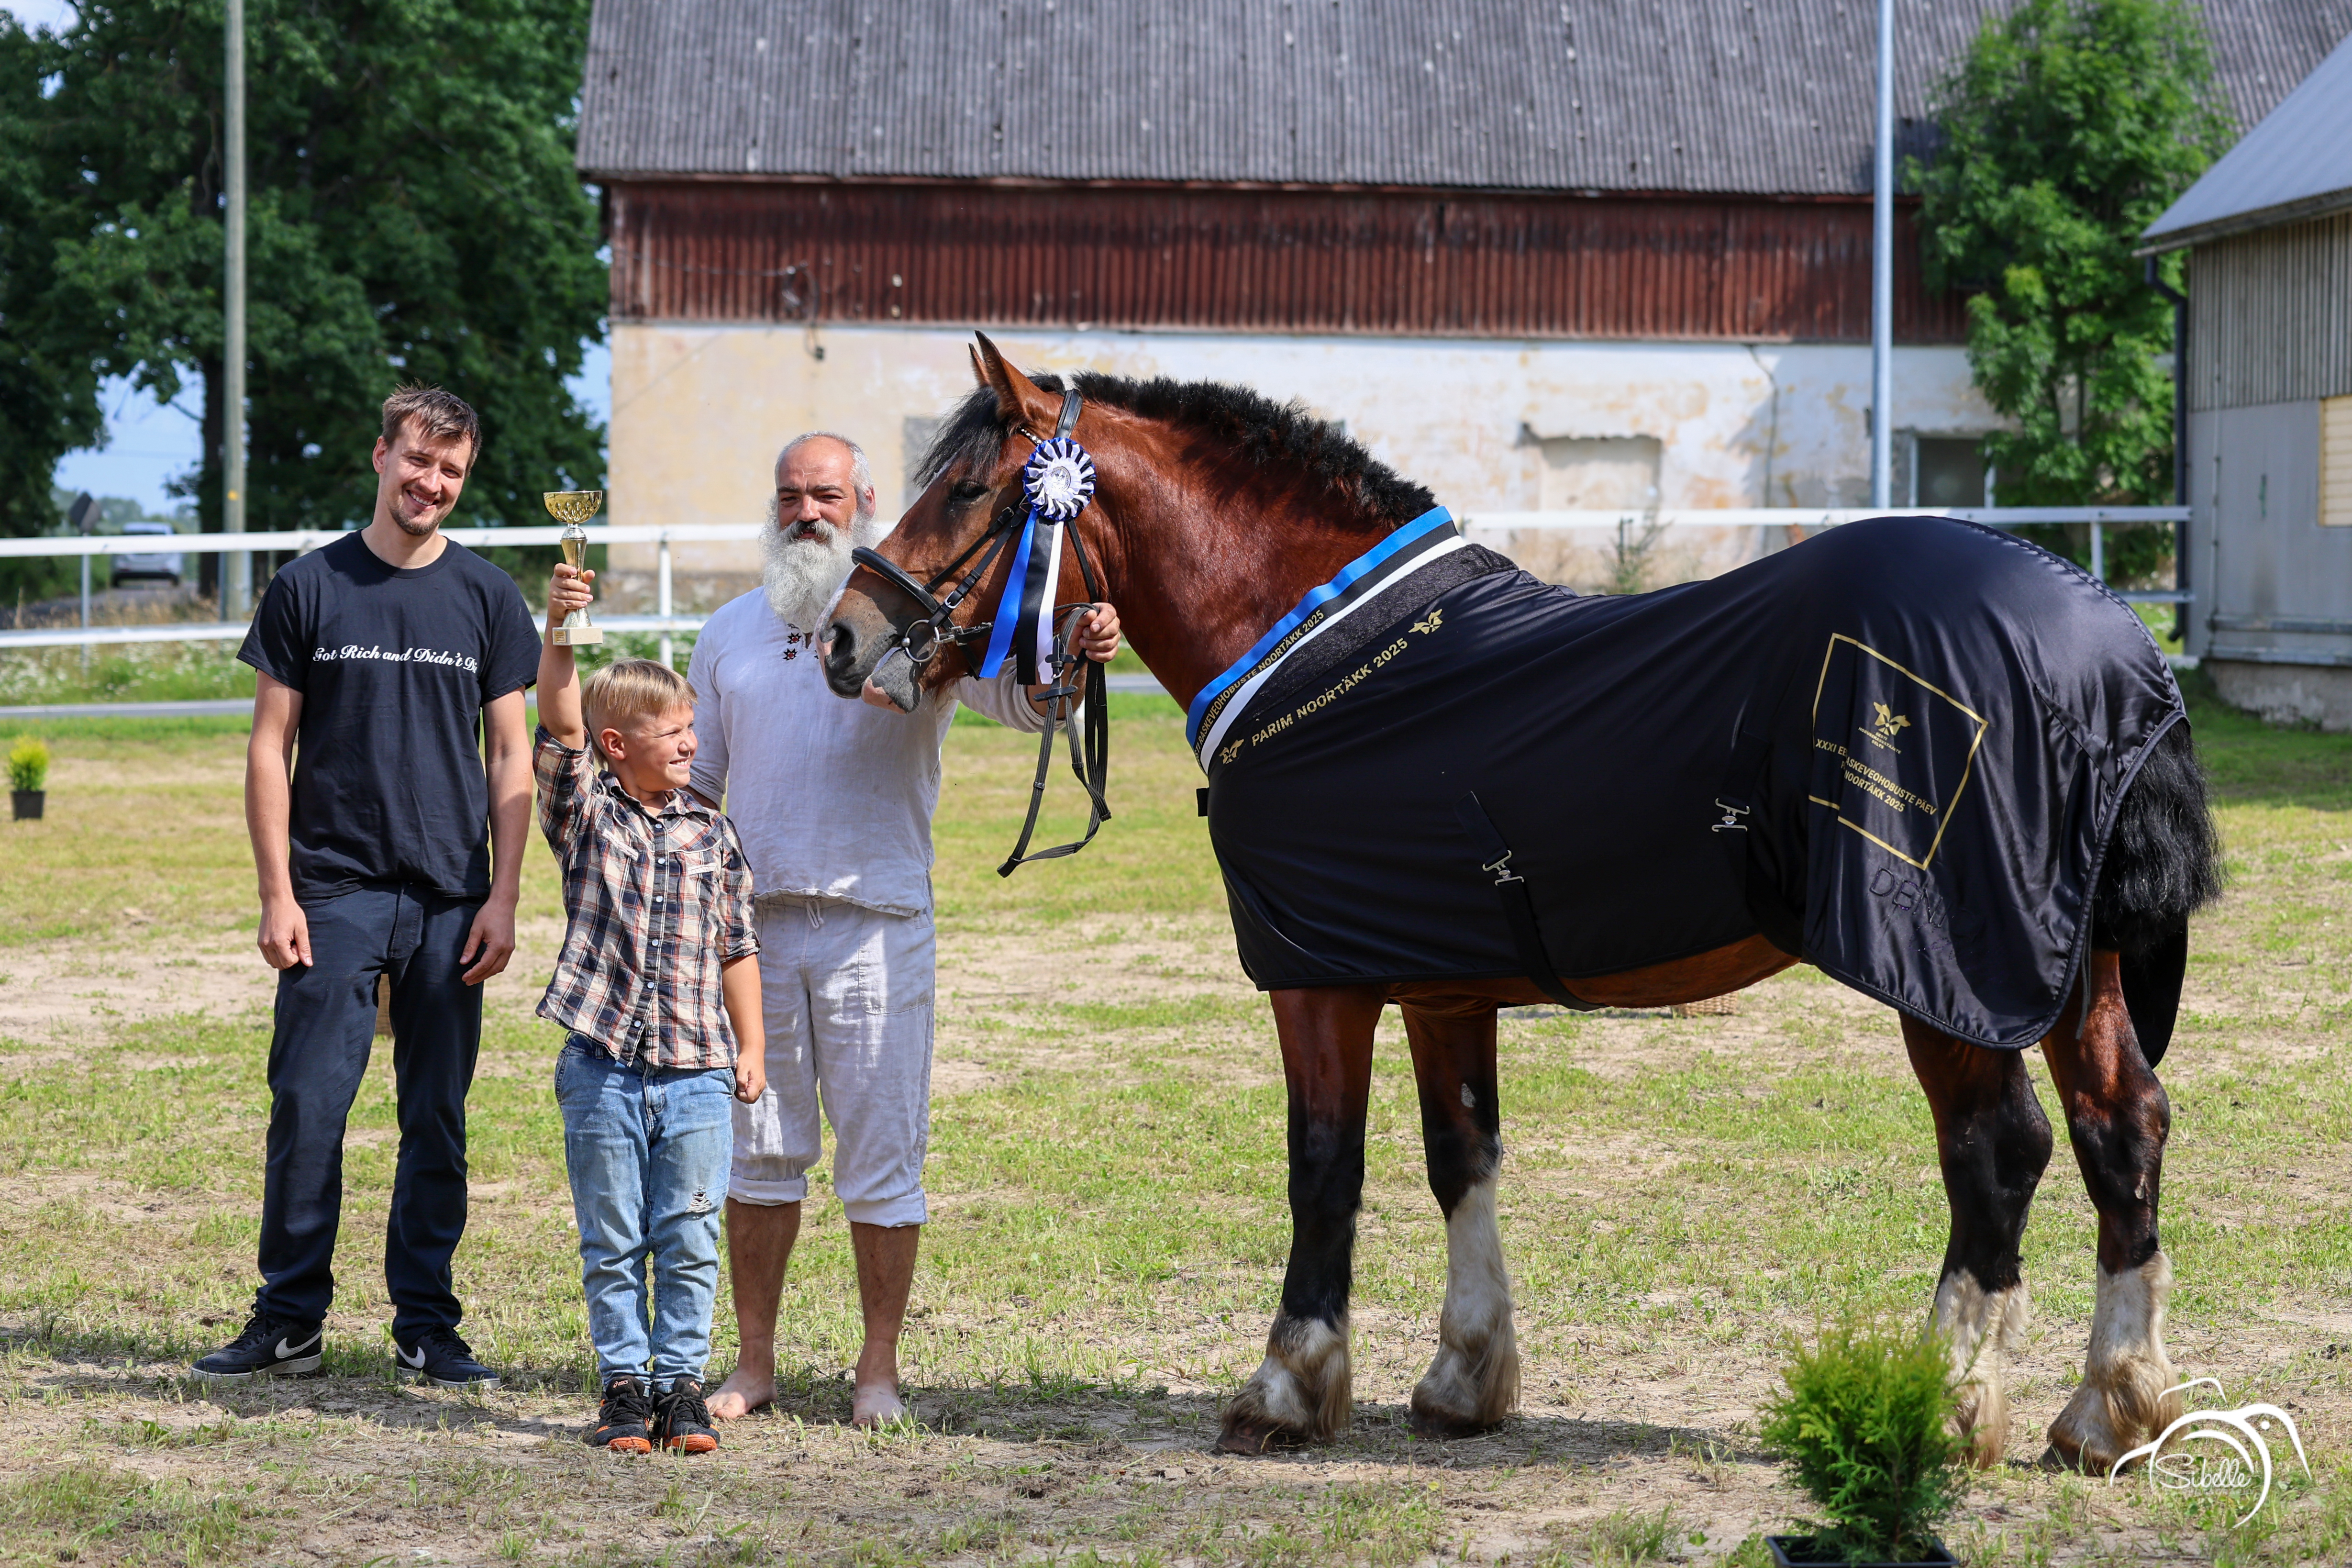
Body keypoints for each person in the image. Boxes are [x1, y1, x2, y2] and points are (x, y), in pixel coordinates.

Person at [683, 431, 1120, 1426]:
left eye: (826, 494)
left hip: (878, 924)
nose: (807, 512)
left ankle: (875, 1371)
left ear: (865, 503)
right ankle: (754, 1365)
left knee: (882, 1161)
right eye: (791, 493)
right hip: (750, 936)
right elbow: (699, 785)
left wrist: (1076, 661)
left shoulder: (924, 632)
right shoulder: (729, 632)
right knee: (756, 1157)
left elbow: (1028, 700)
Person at [197, 386, 538, 1387]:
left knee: (436, 1114)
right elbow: (270, 746)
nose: (432, 482)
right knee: (308, 1104)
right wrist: (277, 892)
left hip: (450, 895)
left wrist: (506, 896)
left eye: (452, 470)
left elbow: (513, 759)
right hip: (333, 888)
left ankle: (426, 1323)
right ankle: (289, 1318)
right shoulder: (308, 586)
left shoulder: (487, 596)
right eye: (419, 459)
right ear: (381, 455)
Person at [533, 565, 766, 1454]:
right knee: (615, 1235)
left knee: (691, 1229)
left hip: (699, 1068)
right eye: (671, 733)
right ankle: (623, 1385)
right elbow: (557, 713)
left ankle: (682, 1387)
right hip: (603, 1066)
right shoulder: (588, 812)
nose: (690, 744)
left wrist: (750, 1045)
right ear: (616, 744)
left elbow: (737, 943)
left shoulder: (713, 830)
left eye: (693, 729)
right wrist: (561, 624)